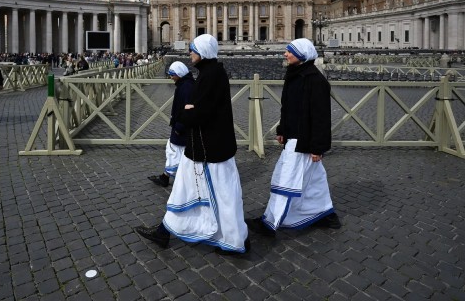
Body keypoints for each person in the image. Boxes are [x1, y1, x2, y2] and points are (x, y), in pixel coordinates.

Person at [135, 34, 250, 254]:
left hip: (207, 149)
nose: (190, 54)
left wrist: (186, 114)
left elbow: (200, 112)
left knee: (208, 193)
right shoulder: (213, 73)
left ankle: (233, 238)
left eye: (193, 50)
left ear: (203, 52)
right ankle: (166, 232)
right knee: (202, 191)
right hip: (209, 147)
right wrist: (190, 110)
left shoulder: (209, 76)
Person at [246, 38, 341, 238]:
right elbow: (288, 108)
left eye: (289, 51)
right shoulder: (294, 75)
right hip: (294, 136)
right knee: (314, 179)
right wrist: (282, 130)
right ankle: (324, 213)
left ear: (302, 55)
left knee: (285, 179)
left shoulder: (315, 80)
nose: (285, 54)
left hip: (303, 140)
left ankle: (270, 222)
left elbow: (321, 116)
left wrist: (318, 147)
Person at [148, 61, 194, 187]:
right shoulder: (185, 84)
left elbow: (188, 109)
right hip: (180, 124)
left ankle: (171, 178)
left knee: (175, 151)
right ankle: (166, 176)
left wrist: (179, 126)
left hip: (181, 126)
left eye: (172, 74)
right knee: (175, 150)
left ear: (179, 74)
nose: (171, 77)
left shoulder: (186, 87)